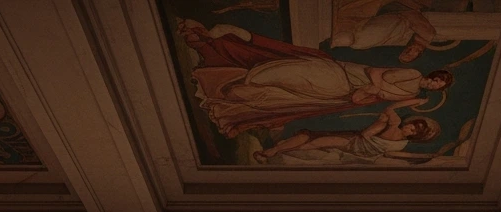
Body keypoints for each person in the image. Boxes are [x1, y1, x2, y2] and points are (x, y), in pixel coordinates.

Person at [177, 19, 453, 140]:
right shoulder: (413, 74)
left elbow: (387, 104)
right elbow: (374, 72)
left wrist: (409, 103)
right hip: (343, 76)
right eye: (436, 81)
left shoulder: (412, 94)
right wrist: (375, 88)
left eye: (437, 87)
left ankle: (228, 97)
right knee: (271, 72)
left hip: (340, 94)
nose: (433, 85)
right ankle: (222, 52)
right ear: (432, 76)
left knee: (282, 99)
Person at [255, 106, 440, 165]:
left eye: (414, 130)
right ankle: (274, 151)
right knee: (313, 141)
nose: (410, 127)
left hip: (352, 144)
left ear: (415, 136)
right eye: (413, 125)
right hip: (354, 144)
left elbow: (368, 135)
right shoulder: (397, 131)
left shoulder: (395, 131)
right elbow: (390, 109)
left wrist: (381, 120)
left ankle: (272, 152)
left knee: (312, 141)